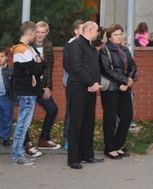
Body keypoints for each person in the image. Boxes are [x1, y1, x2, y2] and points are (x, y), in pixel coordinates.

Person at [66, 21, 103, 169]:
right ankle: (73, 158)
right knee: (76, 122)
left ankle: (87, 154)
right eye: (97, 30)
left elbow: (95, 67)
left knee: (88, 122)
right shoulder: (76, 44)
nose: (98, 33)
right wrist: (90, 83)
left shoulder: (91, 46)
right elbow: (77, 66)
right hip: (78, 87)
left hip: (90, 88)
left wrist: (96, 83)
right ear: (89, 30)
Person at [99, 23, 137, 159]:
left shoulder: (125, 50)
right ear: (109, 37)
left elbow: (132, 66)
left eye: (120, 34)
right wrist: (124, 81)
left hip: (125, 88)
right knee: (110, 118)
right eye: (116, 34)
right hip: (111, 89)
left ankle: (118, 144)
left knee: (127, 116)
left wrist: (129, 80)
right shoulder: (105, 50)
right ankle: (109, 148)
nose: (119, 37)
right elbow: (107, 70)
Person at [11, 21, 46, 166]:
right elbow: (37, 69)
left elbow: (41, 65)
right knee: (22, 124)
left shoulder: (28, 48)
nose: (36, 36)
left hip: (30, 91)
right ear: (30, 33)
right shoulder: (22, 50)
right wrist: (39, 63)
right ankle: (16, 154)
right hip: (26, 91)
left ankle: (20, 152)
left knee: (25, 123)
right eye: (35, 33)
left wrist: (39, 63)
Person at [28, 21, 60, 151]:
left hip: (41, 86)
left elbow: (49, 68)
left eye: (43, 32)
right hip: (29, 86)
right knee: (27, 114)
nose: (40, 35)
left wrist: (47, 86)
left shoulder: (48, 46)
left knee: (52, 109)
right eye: (38, 32)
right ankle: (26, 142)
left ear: (46, 33)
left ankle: (44, 138)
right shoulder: (28, 45)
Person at [62, 19, 84, 150]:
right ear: (76, 31)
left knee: (81, 113)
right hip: (72, 83)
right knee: (71, 112)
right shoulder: (69, 46)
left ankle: (79, 139)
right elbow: (68, 65)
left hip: (84, 83)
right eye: (83, 29)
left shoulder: (86, 45)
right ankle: (67, 139)